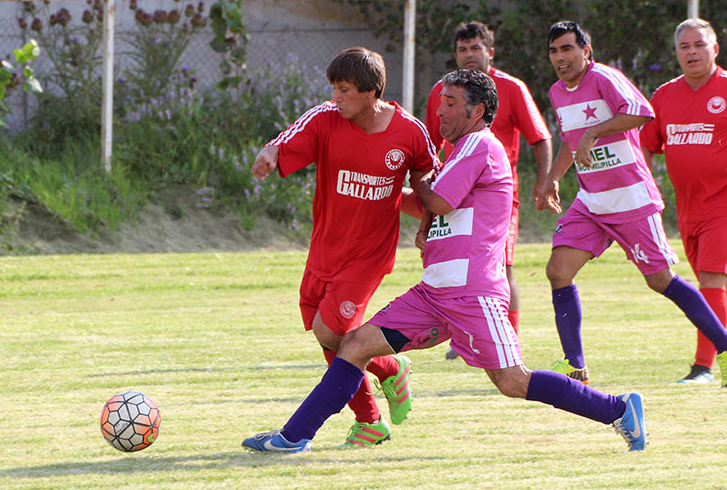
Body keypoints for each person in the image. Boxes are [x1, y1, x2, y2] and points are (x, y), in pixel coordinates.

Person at [243, 69, 647, 454]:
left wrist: (400, 180)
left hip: (473, 292)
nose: (439, 111)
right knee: (355, 344)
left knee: (512, 380)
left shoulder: (481, 144)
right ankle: (294, 437)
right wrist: (388, 193)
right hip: (435, 290)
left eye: (450, 103)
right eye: (439, 101)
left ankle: (618, 408)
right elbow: (434, 205)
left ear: (476, 111)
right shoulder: (458, 152)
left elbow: (437, 200)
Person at [250, 46, 439, 447]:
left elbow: (430, 186)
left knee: (331, 330)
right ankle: (372, 415)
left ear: (371, 92)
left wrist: (426, 225)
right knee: (332, 339)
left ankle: (387, 373)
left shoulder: (410, 133)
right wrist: (270, 154)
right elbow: (288, 140)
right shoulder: (326, 118)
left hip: (368, 257)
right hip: (324, 251)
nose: (336, 97)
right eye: (334, 88)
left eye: (345, 89)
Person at [539, 22, 727, 386]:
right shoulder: (558, 92)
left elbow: (642, 113)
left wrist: (595, 132)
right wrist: (553, 178)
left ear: (586, 51)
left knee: (660, 280)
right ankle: (574, 365)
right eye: (554, 51)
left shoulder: (606, 78)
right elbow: (569, 140)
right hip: (591, 200)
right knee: (558, 271)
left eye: (567, 49)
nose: (560, 58)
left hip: (630, 199)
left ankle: (723, 346)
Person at [421, 21, 553, 359]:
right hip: (451, 194)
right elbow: (430, 146)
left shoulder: (510, 88)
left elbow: (539, 137)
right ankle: (464, 336)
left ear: (489, 52)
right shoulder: (445, 92)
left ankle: (509, 341)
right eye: (462, 49)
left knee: (501, 268)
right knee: (451, 263)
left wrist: (544, 180)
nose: (469, 54)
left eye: (475, 48)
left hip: (496, 199)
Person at [640, 18, 727, 385]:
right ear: (676, 53)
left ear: (715, 49)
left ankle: (705, 367)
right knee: (709, 287)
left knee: (709, 283)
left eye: (699, 45)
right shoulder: (664, 96)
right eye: (684, 47)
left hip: (722, 207)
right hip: (688, 211)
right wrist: (645, 189)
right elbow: (645, 144)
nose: (692, 52)